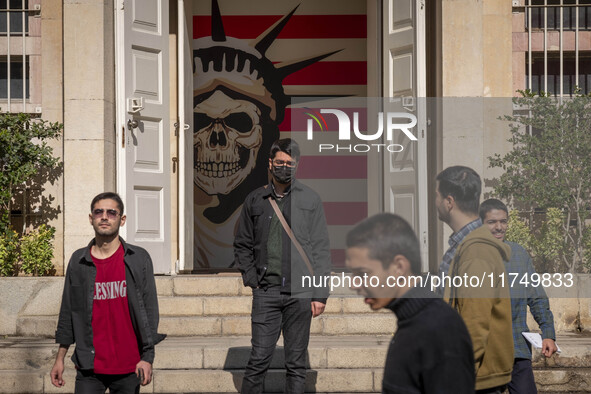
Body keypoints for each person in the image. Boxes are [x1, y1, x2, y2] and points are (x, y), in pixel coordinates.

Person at [234, 138, 331, 394]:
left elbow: (321, 248)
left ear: (297, 165)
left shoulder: (310, 199)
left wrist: (320, 293)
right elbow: (242, 243)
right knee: (259, 359)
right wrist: (252, 280)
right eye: (280, 162)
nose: (284, 167)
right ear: (270, 163)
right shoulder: (255, 200)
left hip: (301, 293)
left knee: (297, 364)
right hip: (266, 291)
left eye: (290, 163)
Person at [346, 213, 475, 393]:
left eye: (363, 273)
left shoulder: (439, 328)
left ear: (398, 266)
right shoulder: (413, 321)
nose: (354, 284)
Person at [50, 192, 165, 393]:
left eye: (112, 212)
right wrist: (59, 358)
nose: (104, 217)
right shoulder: (79, 261)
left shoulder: (138, 259)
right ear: (91, 218)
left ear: (122, 220)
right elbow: (68, 311)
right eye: (98, 212)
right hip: (89, 366)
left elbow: (149, 312)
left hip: (129, 366)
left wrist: (148, 358)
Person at [435, 166, 513, 393]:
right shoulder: (464, 246)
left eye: (437, 196)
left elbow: (475, 323)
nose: (435, 202)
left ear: (449, 201)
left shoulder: (475, 251)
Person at [480, 198, 557, 394]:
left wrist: (548, 334)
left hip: (517, 349)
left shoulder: (519, 255)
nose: (499, 227)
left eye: (503, 221)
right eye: (492, 222)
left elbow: (537, 297)